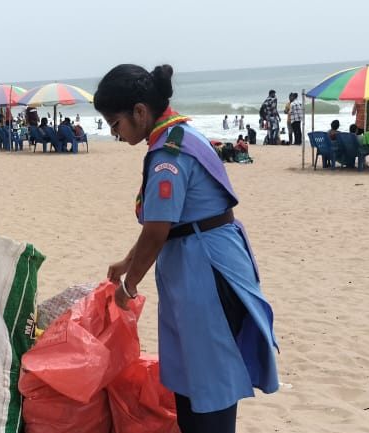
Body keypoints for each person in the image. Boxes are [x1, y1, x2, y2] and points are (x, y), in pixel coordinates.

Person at [94, 63, 278, 433]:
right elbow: (165, 221)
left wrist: (130, 286)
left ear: (140, 112)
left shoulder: (168, 157)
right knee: (193, 379)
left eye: (116, 124)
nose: (115, 134)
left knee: (211, 383)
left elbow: (159, 229)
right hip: (202, 258)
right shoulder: (180, 134)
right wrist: (129, 260)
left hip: (205, 273)